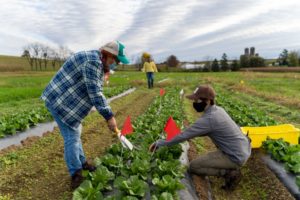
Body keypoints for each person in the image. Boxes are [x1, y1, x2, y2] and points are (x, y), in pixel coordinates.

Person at [41, 41, 129, 189]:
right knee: (72, 137)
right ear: (108, 54)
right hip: (59, 100)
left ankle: (82, 162)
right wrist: (109, 116)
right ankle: (76, 173)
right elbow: (95, 92)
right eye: (115, 59)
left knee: (76, 132)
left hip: (68, 100)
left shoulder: (97, 62)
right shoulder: (93, 62)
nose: (116, 63)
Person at [150, 85, 251, 190]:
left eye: (196, 100)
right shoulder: (218, 110)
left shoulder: (210, 118)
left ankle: (229, 172)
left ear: (207, 101)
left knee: (194, 166)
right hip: (243, 148)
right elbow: (199, 131)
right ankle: (228, 166)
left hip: (235, 156)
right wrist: (191, 133)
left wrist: (159, 143)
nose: (194, 103)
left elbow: (184, 135)